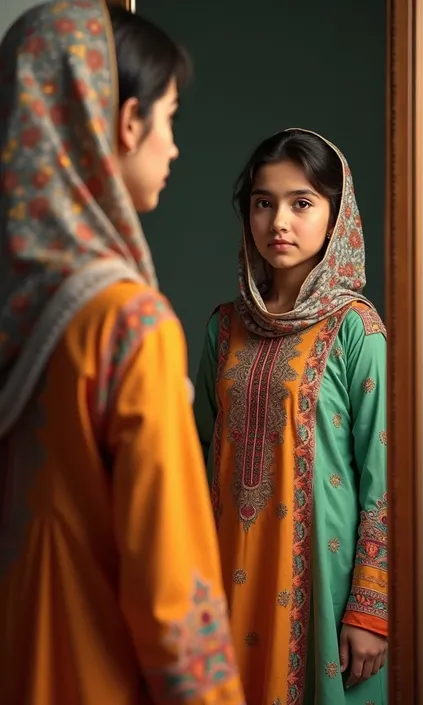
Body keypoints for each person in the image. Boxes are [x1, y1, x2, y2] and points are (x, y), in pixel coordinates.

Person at [0, 2, 244, 704]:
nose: (174, 146)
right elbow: (176, 603)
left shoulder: (19, 313)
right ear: (125, 122)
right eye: (168, 117)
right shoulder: (126, 327)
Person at [194, 128, 388, 705]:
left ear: (335, 215)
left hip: (325, 597)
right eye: (263, 202)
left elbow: (384, 474)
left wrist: (371, 609)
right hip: (225, 581)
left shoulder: (356, 328)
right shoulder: (222, 328)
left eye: (302, 203)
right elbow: (196, 460)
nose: (279, 220)